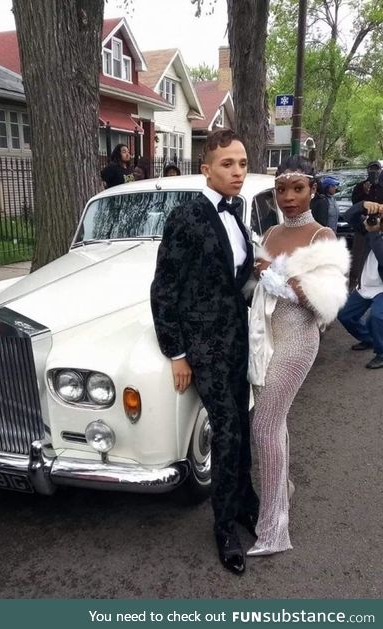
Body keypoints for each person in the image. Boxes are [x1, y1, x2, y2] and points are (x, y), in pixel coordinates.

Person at [151, 128, 259, 576]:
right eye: (227, 165)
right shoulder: (186, 217)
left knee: (244, 423)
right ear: (206, 169)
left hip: (237, 338)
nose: (237, 172)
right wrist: (176, 352)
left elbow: (235, 276)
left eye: (242, 164)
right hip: (204, 346)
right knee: (228, 431)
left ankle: (244, 501)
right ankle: (224, 527)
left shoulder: (237, 213)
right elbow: (164, 288)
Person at [247, 155, 350, 557]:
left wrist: (280, 280)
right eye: (281, 189)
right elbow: (254, 287)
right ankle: (281, 484)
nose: (288, 197)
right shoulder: (270, 231)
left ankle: (274, 529)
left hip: (298, 340)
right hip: (265, 337)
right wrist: (260, 275)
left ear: (312, 189)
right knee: (274, 420)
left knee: (265, 425)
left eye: (297, 189)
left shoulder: (320, 235)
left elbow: (327, 304)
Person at [337, 200, 383, 369]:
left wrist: (374, 233)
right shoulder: (371, 229)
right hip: (366, 286)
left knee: (377, 317)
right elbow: (350, 216)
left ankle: (382, 352)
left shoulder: (373, 233)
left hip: (381, 289)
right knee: (344, 315)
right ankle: (369, 339)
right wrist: (363, 205)